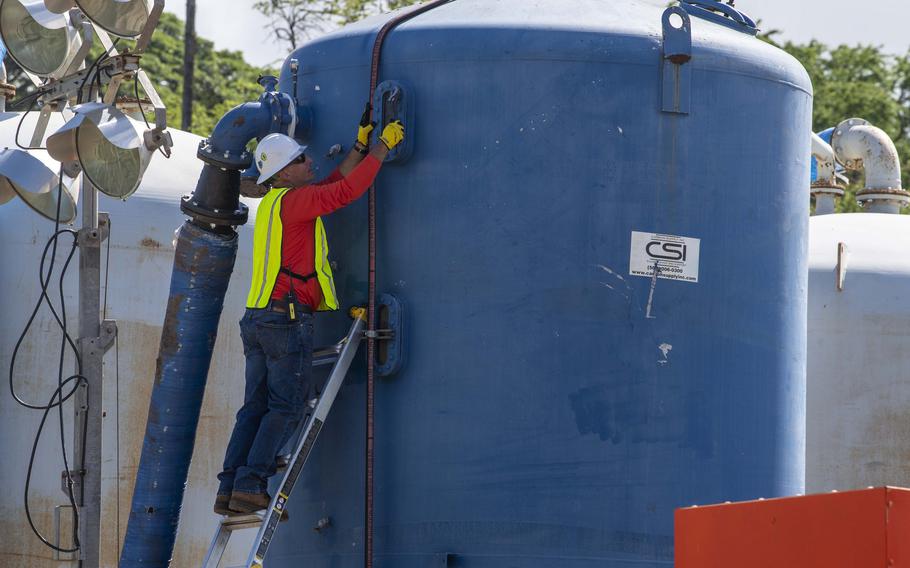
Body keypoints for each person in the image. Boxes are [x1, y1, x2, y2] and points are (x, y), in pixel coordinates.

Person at [214, 106, 405, 516]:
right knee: (287, 406)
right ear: (283, 172)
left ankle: (231, 485)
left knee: (256, 406)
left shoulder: (276, 203)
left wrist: (360, 147)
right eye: (300, 159)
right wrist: (383, 150)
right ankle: (251, 484)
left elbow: (335, 181)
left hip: (259, 318)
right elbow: (346, 193)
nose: (309, 160)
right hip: (285, 318)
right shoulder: (296, 202)